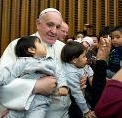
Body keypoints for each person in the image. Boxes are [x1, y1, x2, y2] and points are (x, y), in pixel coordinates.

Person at [0, 8, 71, 118]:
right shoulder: (19, 45)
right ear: (38, 24)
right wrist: (35, 86)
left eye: (57, 27)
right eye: (50, 25)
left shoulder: (63, 47)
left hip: (64, 113)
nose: (54, 31)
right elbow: (2, 80)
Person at [61, 41, 96, 118]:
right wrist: (86, 111)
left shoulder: (78, 64)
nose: (86, 59)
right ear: (74, 59)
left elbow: (87, 67)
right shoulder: (71, 74)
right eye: (84, 56)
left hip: (83, 96)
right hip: (75, 102)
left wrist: (90, 76)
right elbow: (77, 94)